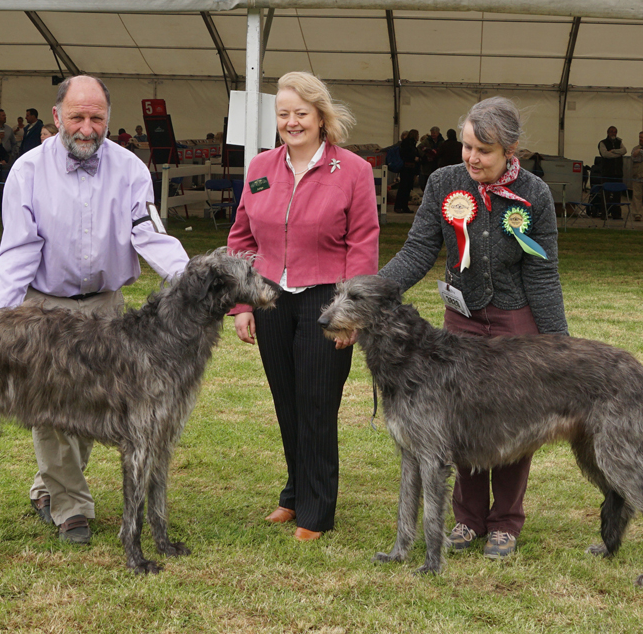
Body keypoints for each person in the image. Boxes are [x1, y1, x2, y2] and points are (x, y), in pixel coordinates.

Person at [0, 74, 189, 544]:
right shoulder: (27, 171)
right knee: (53, 412)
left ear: (108, 120)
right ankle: (71, 507)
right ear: (57, 117)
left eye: (96, 117)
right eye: (76, 116)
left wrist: (192, 281)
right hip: (45, 311)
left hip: (106, 311)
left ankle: (49, 486)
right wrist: (2, 315)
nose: (86, 127)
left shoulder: (132, 170)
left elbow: (150, 234)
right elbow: (18, 248)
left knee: (90, 412)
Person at [373, 96, 567, 560]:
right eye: (467, 147)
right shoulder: (444, 182)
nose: (472, 158)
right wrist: (372, 295)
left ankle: (505, 522)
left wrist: (559, 344)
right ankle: (467, 518)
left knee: (513, 421)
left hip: (514, 321)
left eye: (484, 150)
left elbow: (542, 273)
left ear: (510, 150)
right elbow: (419, 251)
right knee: (457, 420)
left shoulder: (535, 195)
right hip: (459, 321)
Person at [227, 71, 380, 541]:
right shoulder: (259, 169)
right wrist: (242, 303)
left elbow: (363, 244)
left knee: (316, 406)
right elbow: (241, 238)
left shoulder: (353, 170)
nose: (292, 122)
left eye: (301, 114)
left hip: (326, 302)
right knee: (287, 404)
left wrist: (351, 311)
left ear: (320, 117)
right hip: (271, 299)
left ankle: (317, 511)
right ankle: (294, 494)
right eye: (284, 115)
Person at [394, 128, 420, 214]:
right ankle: (400, 206)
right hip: (407, 168)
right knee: (404, 188)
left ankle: (403, 206)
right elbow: (406, 154)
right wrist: (414, 158)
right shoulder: (409, 144)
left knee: (406, 188)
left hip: (408, 169)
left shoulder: (409, 143)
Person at [418, 126, 444, 192]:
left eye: (434, 133)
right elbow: (419, 148)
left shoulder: (442, 141)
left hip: (437, 165)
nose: (433, 134)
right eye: (432, 133)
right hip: (428, 165)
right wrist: (424, 156)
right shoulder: (426, 140)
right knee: (426, 182)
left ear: (438, 133)